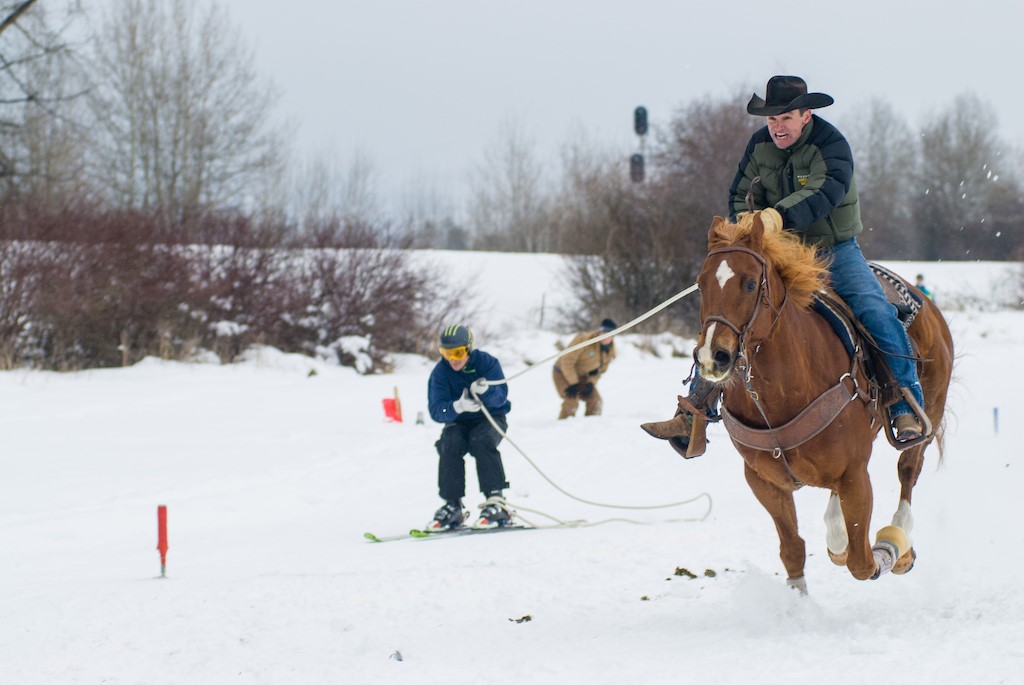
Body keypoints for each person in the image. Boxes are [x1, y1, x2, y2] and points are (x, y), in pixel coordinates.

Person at [643, 75, 926, 455]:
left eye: (786, 118)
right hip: (776, 247)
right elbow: (738, 192)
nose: (777, 127)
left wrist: (777, 216)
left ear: (806, 114)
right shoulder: (759, 145)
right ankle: (694, 410)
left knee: (875, 311)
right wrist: (746, 224)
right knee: (731, 309)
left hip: (832, 250)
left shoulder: (831, 145)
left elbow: (824, 192)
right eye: (771, 119)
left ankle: (904, 404)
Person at [426, 324, 513, 531]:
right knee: (449, 443)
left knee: (481, 440)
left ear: (468, 348)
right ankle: (452, 504)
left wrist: (486, 392)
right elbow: (437, 411)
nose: (453, 359)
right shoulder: (440, 373)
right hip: (459, 421)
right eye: (447, 353)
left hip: (491, 418)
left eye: (458, 352)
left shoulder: (487, 363)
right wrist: (456, 406)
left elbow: (501, 398)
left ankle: (495, 500)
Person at [552, 318, 618, 419]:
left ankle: (589, 428)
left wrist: (591, 383)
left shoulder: (609, 351)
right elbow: (567, 361)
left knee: (596, 401)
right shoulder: (584, 340)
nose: (606, 336)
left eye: (610, 334)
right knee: (572, 401)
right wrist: (574, 383)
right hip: (562, 373)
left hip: (583, 377)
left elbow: (600, 371)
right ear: (599, 331)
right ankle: (563, 428)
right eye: (604, 332)